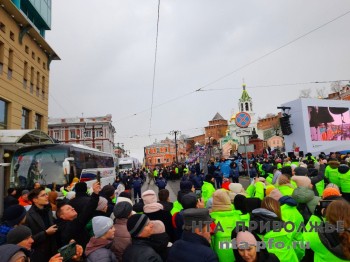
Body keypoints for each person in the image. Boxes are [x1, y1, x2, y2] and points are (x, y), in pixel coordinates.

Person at [56, 181, 100, 249]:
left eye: (71, 207)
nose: (72, 208)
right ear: (62, 216)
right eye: (68, 209)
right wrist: (95, 194)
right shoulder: (69, 226)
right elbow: (86, 212)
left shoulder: (70, 224)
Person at [6, 225, 83, 262]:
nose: (32, 241)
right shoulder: (15, 259)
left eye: (30, 237)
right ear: (16, 243)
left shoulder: (32, 254)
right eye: (26, 239)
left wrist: (75, 259)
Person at [26, 186, 58, 262]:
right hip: (39, 255)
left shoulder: (48, 210)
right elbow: (27, 240)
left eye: (46, 194)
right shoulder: (28, 216)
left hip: (52, 250)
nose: (47, 196)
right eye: (43, 195)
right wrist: (45, 233)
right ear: (35, 200)